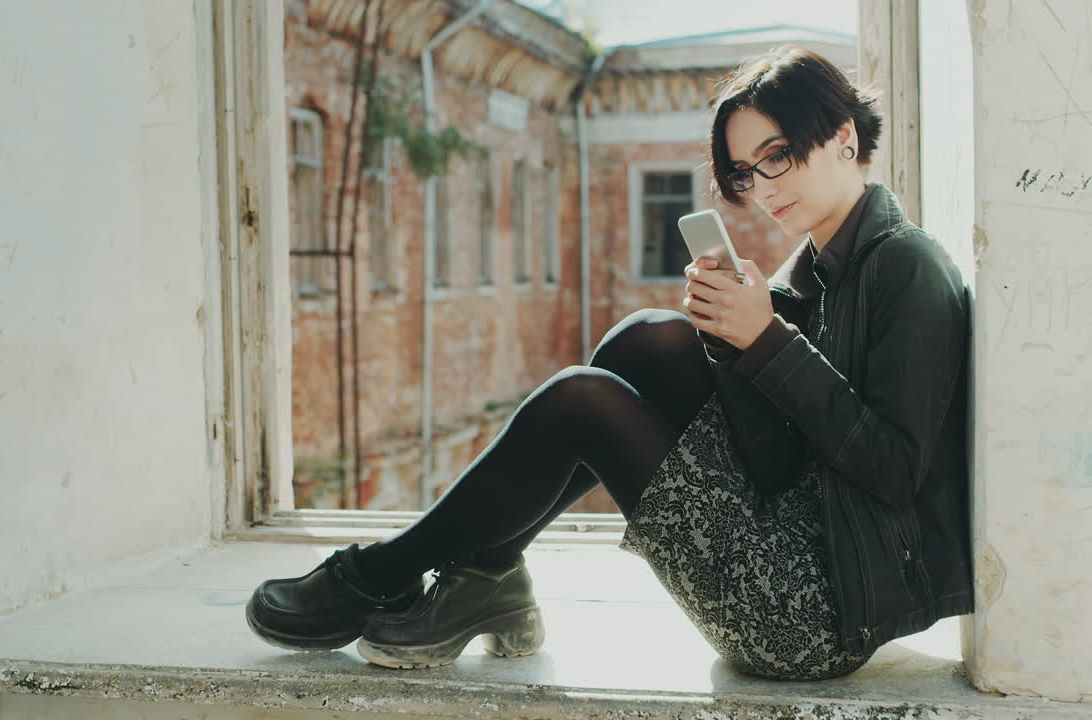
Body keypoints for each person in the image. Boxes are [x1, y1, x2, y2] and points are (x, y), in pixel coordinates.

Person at [247, 46, 972, 680]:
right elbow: (781, 456)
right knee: (646, 339)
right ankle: (488, 572)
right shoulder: (810, 269)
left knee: (583, 402)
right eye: (745, 173)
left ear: (844, 135)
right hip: (793, 523)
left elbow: (895, 471)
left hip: (815, 609)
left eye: (777, 156)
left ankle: (383, 575)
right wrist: (734, 339)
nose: (763, 188)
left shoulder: (907, 268)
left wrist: (769, 342)